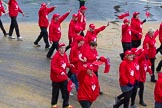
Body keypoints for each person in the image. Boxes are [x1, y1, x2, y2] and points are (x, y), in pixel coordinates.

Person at [50, 42, 74, 108]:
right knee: (55, 92)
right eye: (62, 48)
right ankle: (54, 104)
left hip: (63, 77)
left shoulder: (65, 55)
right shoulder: (55, 57)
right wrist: (60, 72)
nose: (64, 49)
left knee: (66, 91)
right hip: (56, 78)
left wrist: (70, 65)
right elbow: (53, 67)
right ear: (59, 49)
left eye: (64, 47)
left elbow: (65, 63)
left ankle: (66, 104)